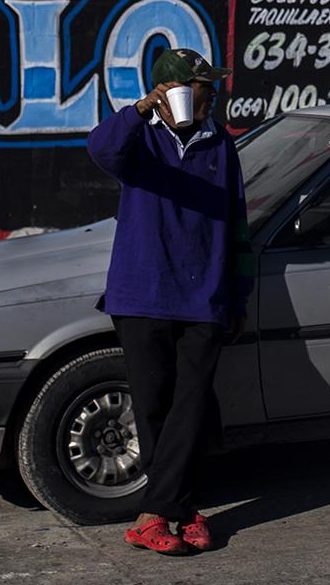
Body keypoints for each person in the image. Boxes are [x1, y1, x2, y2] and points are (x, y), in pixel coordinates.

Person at [85, 47, 252, 554]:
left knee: (193, 407)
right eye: (205, 84)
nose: (214, 93)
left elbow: (237, 224)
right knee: (154, 405)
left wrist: (237, 297)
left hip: (202, 299)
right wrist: (140, 109)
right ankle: (177, 510)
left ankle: (157, 514)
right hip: (141, 295)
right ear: (176, 91)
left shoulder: (220, 144)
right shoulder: (139, 140)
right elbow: (101, 149)